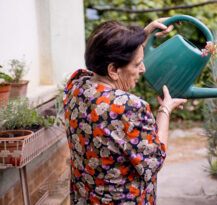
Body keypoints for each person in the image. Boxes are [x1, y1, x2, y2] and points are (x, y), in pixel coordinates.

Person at [63, 18, 187, 204]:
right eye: (137, 64)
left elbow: (109, 57)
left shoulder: (76, 86)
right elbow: (154, 160)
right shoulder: (129, 107)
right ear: (113, 69)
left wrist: (141, 37)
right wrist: (165, 110)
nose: (143, 69)